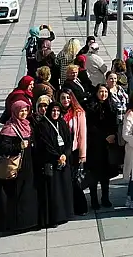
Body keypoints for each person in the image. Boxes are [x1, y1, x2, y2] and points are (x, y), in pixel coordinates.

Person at [0, 100, 39, 234]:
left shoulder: (28, 124)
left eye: (25, 110)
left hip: (28, 165)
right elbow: (1, 147)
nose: (24, 113)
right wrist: (18, 146)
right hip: (15, 167)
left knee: (27, 194)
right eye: (21, 110)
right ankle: (14, 225)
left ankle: (28, 222)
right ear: (14, 112)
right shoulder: (9, 128)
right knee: (14, 195)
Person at [33, 96, 74, 228]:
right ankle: (55, 217)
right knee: (54, 191)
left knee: (64, 188)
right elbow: (45, 145)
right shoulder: (43, 126)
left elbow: (69, 140)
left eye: (57, 110)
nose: (55, 113)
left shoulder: (62, 123)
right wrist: (58, 156)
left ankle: (65, 214)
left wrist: (65, 154)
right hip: (52, 161)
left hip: (63, 160)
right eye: (53, 111)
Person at [84, 85, 118, 209]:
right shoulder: (90, 106)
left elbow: (114, 123)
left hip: (107, 146)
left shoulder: (111, 105)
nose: (103, 94)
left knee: (106, 174)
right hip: (94, 145)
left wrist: (113, 134)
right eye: (101, 92)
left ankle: (105, 197)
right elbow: (90, 126)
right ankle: (94, 199)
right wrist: (104, 136)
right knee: (94, 174)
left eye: (105, 92)